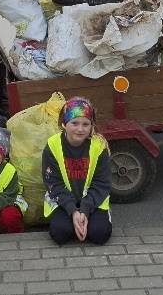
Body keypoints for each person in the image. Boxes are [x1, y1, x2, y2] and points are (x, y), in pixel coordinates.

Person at [42, 97, 112, 245]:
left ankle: (91, 220)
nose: (80, 129)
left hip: (92, 200)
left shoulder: (99, 146)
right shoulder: (52, 145)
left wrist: (85, 210)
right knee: (60, 234)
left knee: (99, 235)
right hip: (63, 200)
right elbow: (53, 183)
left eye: (86, 124)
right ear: (64, 124)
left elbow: (102, 183)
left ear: (91, 126)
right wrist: (73, 212)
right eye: (74, 123)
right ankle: (75, 222)